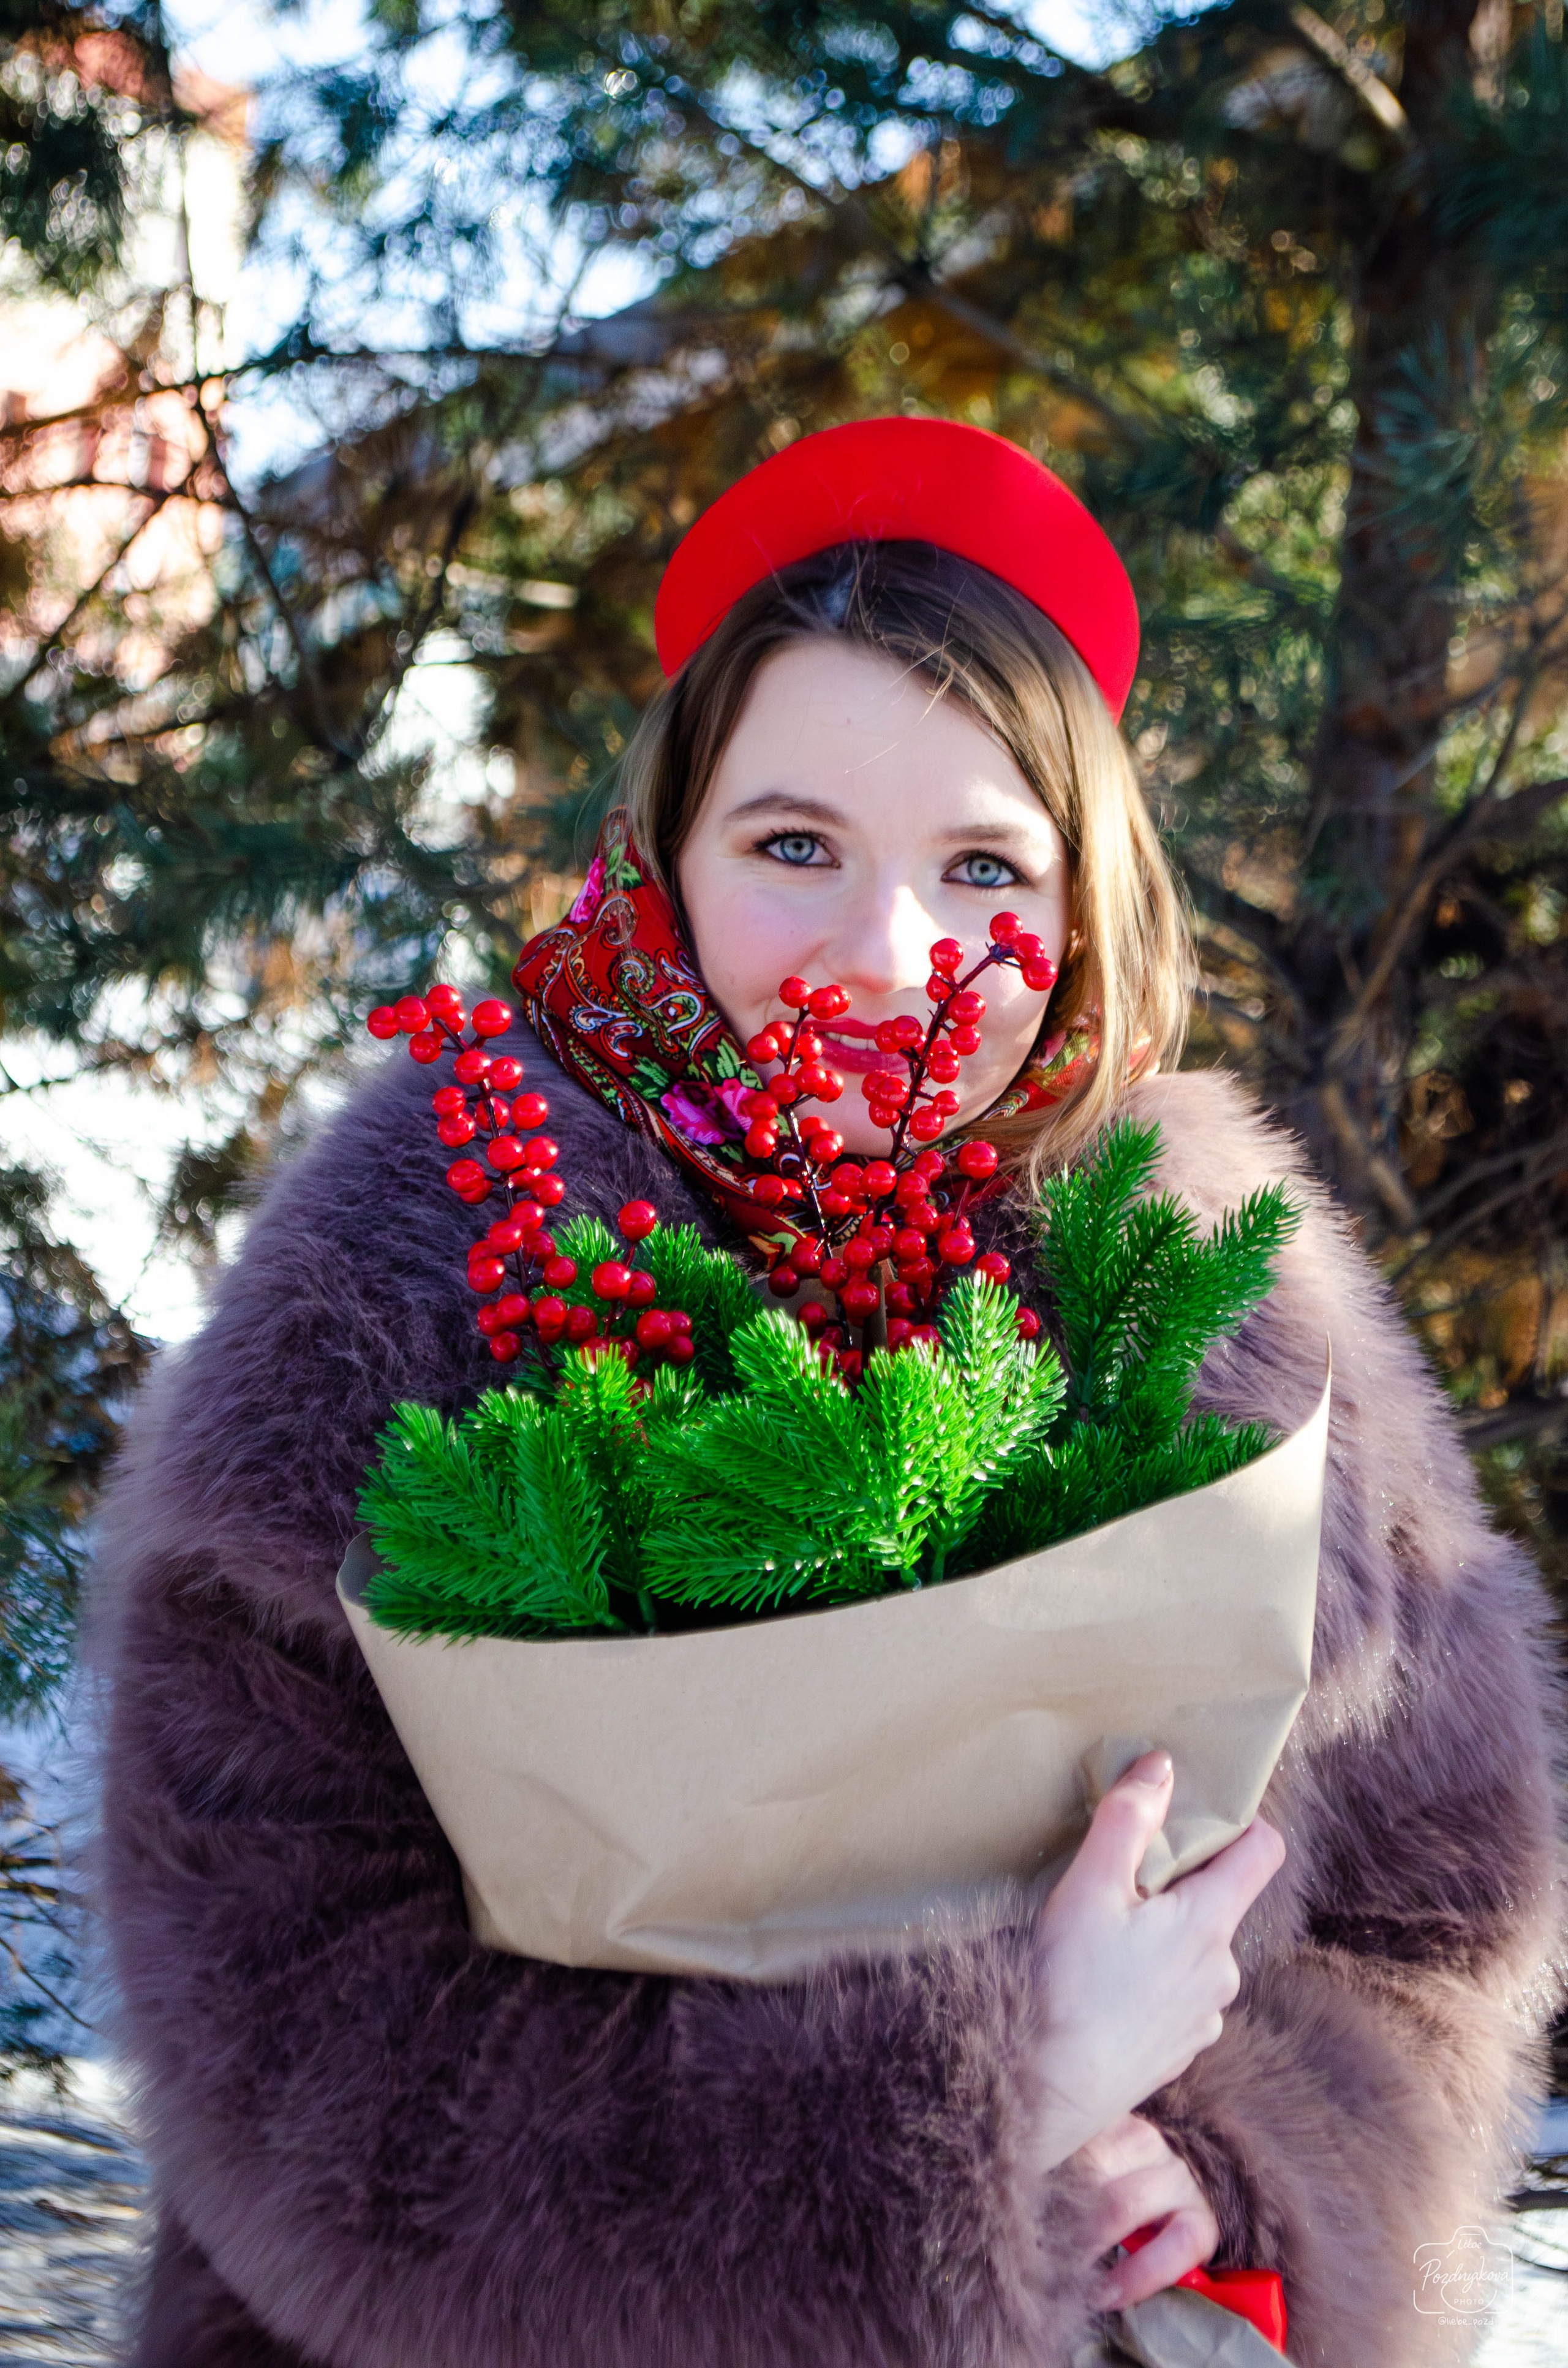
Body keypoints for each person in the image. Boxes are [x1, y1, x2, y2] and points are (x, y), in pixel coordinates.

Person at [92, 418, 1564, 2367]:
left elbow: (1432, 1929)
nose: (888, 958)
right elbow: (283, 2034)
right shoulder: (408, 1289)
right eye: (795, 845)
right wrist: (985, 2103)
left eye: (983, 864)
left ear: (1086, 892)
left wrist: (1228, 2158)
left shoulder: (1235, 1312)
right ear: (668, 855)